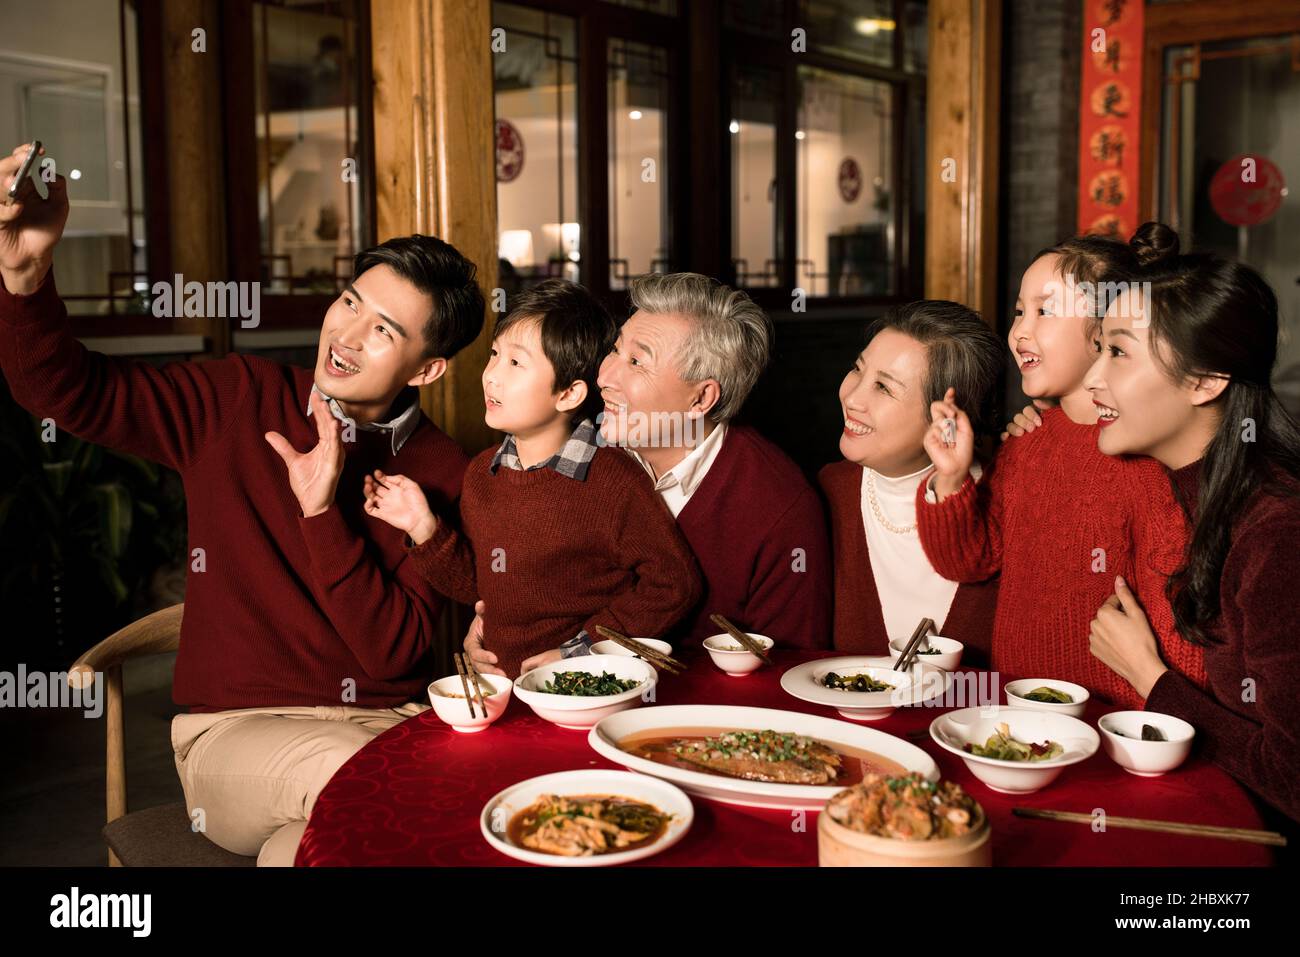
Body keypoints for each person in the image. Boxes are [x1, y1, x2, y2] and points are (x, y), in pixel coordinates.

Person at [0, 143, 484, 865]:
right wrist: (25, 273)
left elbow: (393, 652)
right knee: (404, 788)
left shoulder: (442, 467)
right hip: (232, 738)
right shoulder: (236, 398)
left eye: (383, 330)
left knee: (304, 850)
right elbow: (71, 392)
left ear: (429, 366)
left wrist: (322, 519)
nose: (345, 337)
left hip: (384, 721)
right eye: (350, 302)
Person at [914, 232, 1207, 708]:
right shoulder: (1027, 443)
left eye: (1044, 311)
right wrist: (950, 477)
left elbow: (1180, 627)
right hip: (1015, 709)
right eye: (1018, 311)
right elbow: (970, 561)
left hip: (1109, 723)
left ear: (1103, 331)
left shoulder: (1146, 461)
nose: (1020, 332)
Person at [365, 280, 701, 678]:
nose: (491, 376)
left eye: (515, 363)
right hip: (503, 690)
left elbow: (672, 584)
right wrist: (423, 527)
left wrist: (582, 651)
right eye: (494, 355)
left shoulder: (612, 481)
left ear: (569, 394)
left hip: (582, 690)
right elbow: (481, 586)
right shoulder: (483, 474)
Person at [1083, 224, 1300, 824]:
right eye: (1098, 348)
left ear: (1206, 380)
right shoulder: (1195, 487)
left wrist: (1151, 678)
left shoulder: (1278, 531)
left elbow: (1292, 774)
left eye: (1119, 352)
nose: (1094, 377)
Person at [593, 272, 832, 648]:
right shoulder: (583, 457)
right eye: (615, 349)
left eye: (637, 361)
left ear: (701, 399)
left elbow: (789, 672)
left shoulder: (780, 507)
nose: (605, 376)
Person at [818, 300, 1001, 662]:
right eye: (858, 369)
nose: (851, 397)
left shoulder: (1009, 501)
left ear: (945, 417)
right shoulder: (828, 493)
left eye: (883, 388)